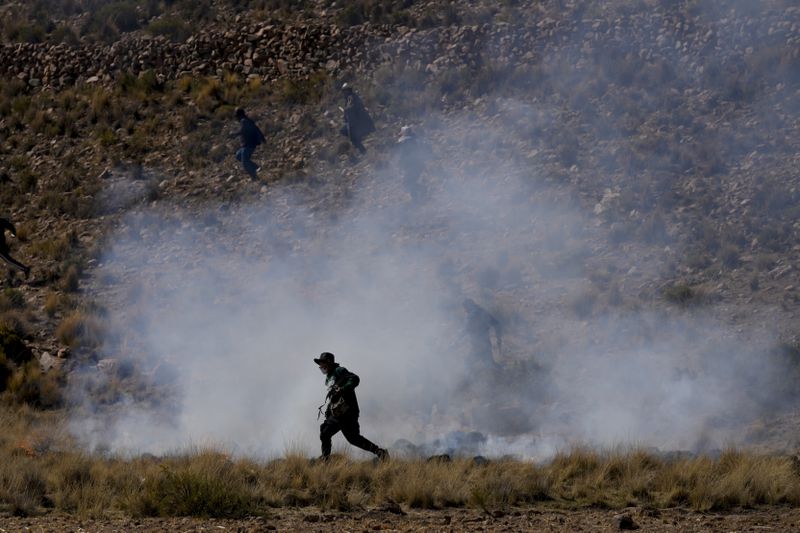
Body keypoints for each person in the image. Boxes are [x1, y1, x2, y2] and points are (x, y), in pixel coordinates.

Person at [314, 351, 389, 461]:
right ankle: (326, 459)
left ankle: (379, 452)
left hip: (348, 412)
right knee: (333, 434)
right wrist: (328, 411)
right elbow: (333, 397)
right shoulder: (328, 378)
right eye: (320, 363)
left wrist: (343, 389)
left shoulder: (339, 371)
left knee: (345, 437)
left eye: (322, 363)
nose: (320, 366)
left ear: (329, 362)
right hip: (338, 413)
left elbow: (355, 378)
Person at [462, 298, 503, 371]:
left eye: (465, 308)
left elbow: (465, 330)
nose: (465, 310)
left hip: (478, 345)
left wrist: (455, 342)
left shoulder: (471, 316)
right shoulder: (483, 312)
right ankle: (504, 373)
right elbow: (497, 323)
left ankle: (467, 381)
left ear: (468, 306)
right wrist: (498, 338)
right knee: (490, 364)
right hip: (486, 344)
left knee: (467, 364)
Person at [395, 125, 431, 202]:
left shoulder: (404, 141)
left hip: (412, 165)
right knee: (410, 182)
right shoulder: (417, 139)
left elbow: (403, 154)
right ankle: (415, 198)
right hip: (419, 164)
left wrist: (400, 163)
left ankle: (421, 191)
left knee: (407, 182)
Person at [339, 84, 375, 154]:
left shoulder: (352, 98)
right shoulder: (348, 100)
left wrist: (347, 112)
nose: (344, 93)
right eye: (344, 91)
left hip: (359, 122)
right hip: (354, 123)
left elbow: (352, 110)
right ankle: (361, 148)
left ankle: (364, 151)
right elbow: (348, 113)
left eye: (346, 91)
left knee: (353, 137)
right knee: (344, 131)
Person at [232, 107, 266, 179]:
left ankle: (255, 177)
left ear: (239, 115)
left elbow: (242, 130)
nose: (236, 118)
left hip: (248, 145)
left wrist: (233, 133)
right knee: (238, 155)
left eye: (236, 116)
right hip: (246, 146)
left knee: (245, 163)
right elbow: (256, 128)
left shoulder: (244, 121)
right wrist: (262, 138)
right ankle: (257, 168)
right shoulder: (247, 121)